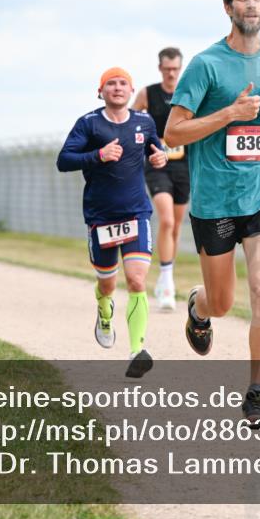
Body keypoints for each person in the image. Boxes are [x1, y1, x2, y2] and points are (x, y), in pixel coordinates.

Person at [165, 0, 260, 427]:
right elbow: (173, 131)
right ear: (228, 7)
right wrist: (229, 113)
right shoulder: (205, 65)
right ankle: (198, 307)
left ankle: (256, 395)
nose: (251, 5)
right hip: (215, 201)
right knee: (223, 303)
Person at [57, 67, 168, 378]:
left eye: (123, 83)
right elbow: (64, 160)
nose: (117, 88)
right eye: (111, 84)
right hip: (101, 217)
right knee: (108, 283)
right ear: (100, 91)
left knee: (136, 280)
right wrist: (98, 155)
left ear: (131, 91)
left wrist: (158, 158)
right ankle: (104, 311)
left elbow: (155, 150)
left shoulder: (144, 122)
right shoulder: (89, 123)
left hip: (136, 213)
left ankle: (137, 350)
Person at [132, 47, 190, 311]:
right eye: (167, 69)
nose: (171, 73)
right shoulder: (148, 93)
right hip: (157, 165)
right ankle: (167, 283)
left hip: (184, 166)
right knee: (165, 219)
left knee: (176, 226)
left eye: (176, 69)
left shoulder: (189, 92)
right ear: (160, 69)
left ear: (180, 68)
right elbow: (130, 120)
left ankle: (167, 275)